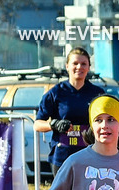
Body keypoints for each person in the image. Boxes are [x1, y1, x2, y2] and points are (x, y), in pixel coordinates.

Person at [35, 47, 107, 175]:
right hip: (62, 156)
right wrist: (54, 124)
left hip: (91, 154)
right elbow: (37, 124)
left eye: (83, 64)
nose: (79, 67)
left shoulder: (98, 93)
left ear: (89, 67)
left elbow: (108, 120)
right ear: (67, 66)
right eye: (75, 63)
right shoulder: (56, 92)